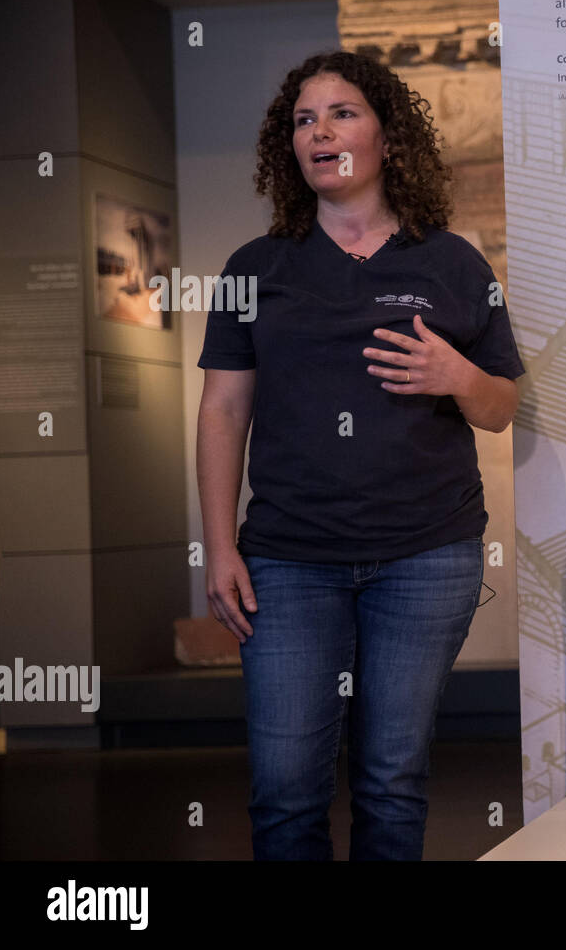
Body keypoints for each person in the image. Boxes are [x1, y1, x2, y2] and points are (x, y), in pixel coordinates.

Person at [195, 50, 525, 860]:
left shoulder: (451, 262)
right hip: (288, 558)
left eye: (341, 112)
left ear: (386, 135)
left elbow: (501, 408)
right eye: (304, 120)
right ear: (290, 149)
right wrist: (221, 546)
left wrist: (456, 375)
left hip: (426, 553)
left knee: (390, 779)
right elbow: (223, 409)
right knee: (284, 789)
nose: (321, 131)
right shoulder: (256, 269)